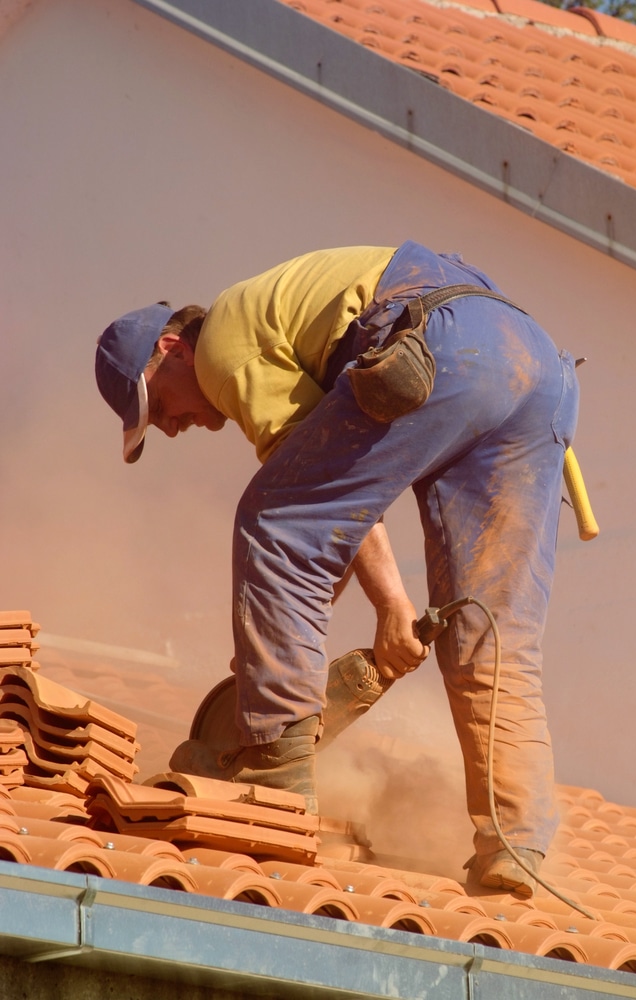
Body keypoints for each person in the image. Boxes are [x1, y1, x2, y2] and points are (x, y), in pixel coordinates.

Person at [95, 240, 579, 896]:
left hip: (441, 345)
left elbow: (310, 519)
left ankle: (273, 766)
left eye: (156, 406)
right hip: (536, 372)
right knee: (491, 636)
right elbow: (334, 514)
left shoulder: (223, 342)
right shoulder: (270, 319)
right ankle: (515, 845)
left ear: (171, 349)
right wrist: (300, 639)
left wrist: (388, 609)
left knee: (272, 519)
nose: (172, 428)